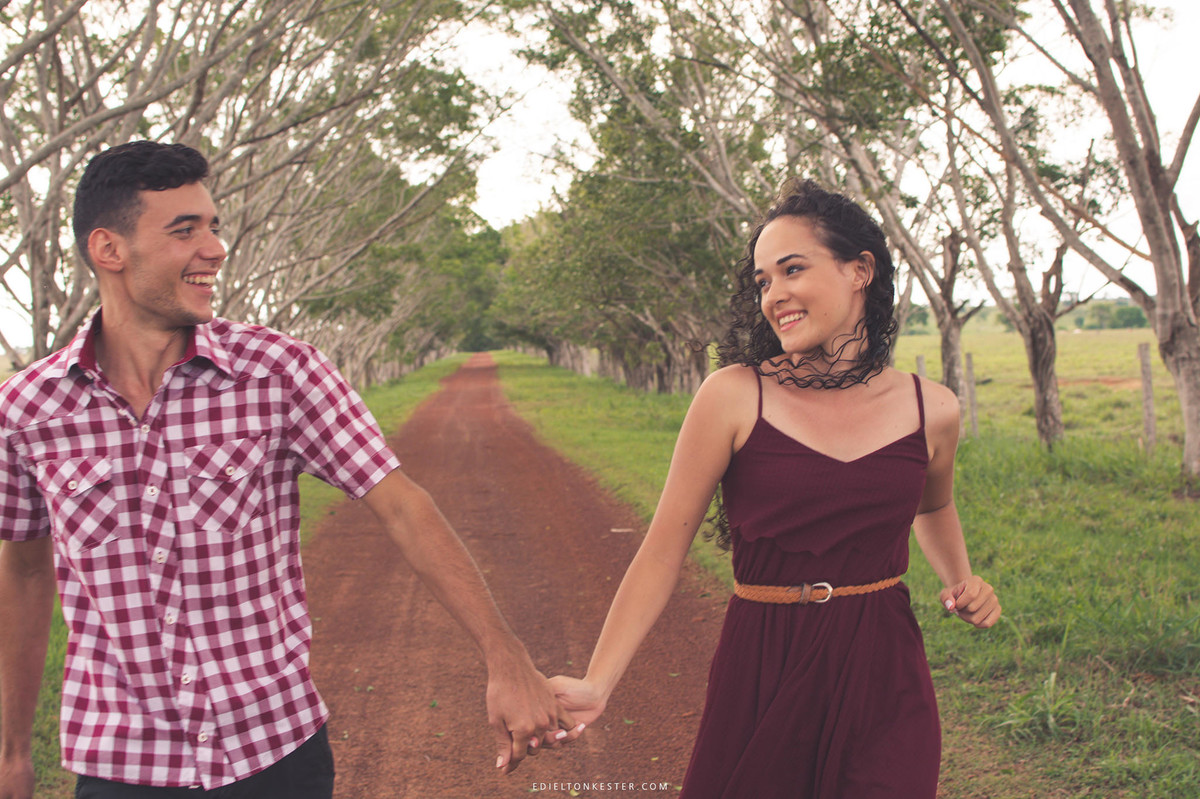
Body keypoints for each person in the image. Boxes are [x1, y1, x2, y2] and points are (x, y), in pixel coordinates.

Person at [0, 141, 579, 799]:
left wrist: (506, 657)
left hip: (273, 753)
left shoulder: (279, 372)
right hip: (121, 765)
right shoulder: (25, 410)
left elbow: (402, 506)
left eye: (213, 226)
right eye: (185, 230)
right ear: (109, 249)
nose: (215, 248)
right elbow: (24, 569)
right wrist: (12, 752)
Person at [550, 178, 1001, 798]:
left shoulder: (934, 408)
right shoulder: (735, 395)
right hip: (764, 663)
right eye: (763, 281)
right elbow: (662, 551)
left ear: (860, 270)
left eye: (792, 270)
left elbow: (935, 503)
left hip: (884, 668)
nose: (774, 295)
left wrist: (961, 580)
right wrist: (598, 682)